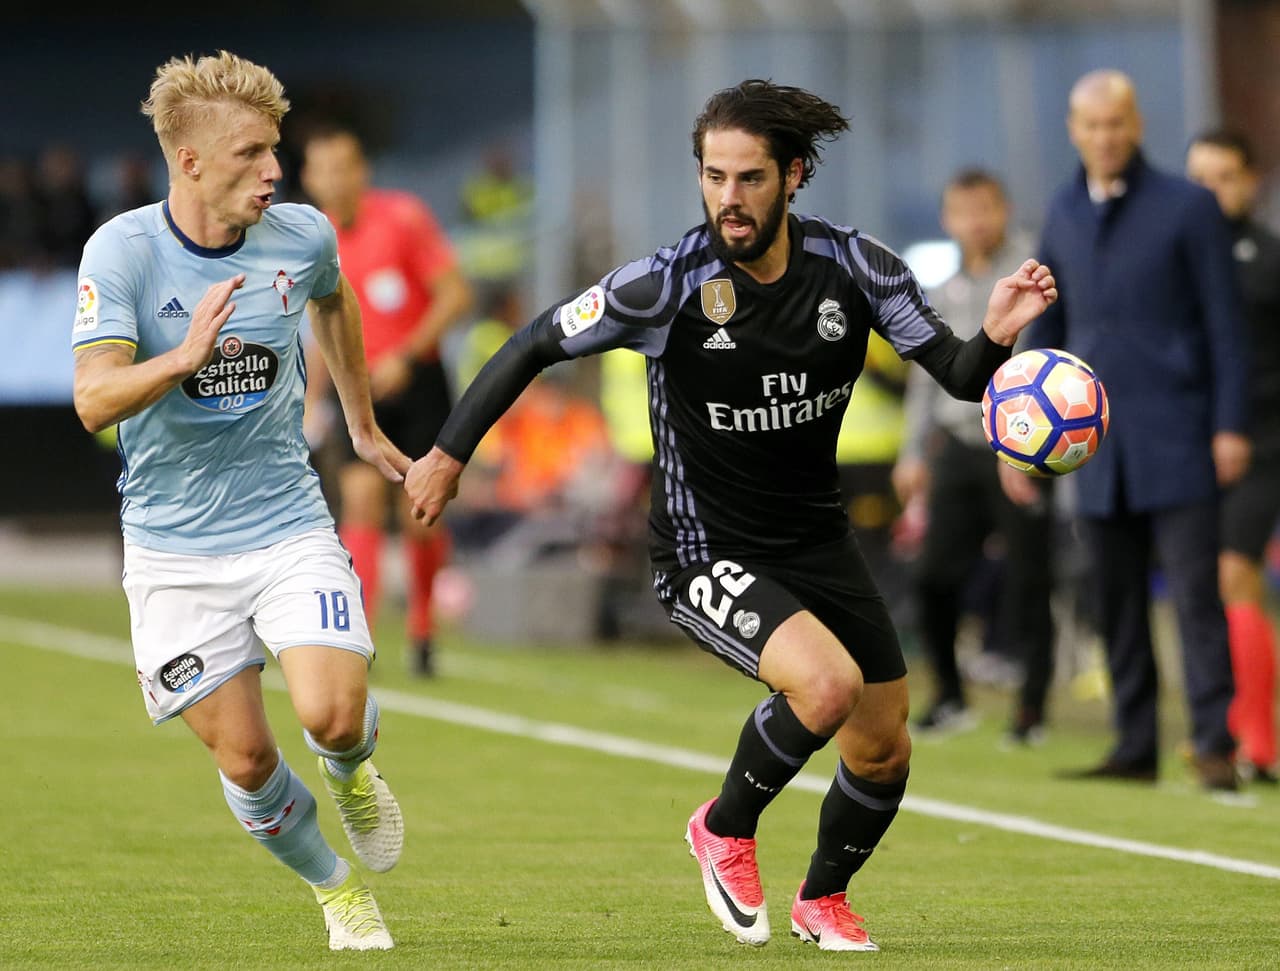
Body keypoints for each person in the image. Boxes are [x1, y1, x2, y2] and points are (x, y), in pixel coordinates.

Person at [404, 79, 1057, 951]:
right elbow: (533, 342)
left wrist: (1001, 333)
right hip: (704, 548)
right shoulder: (664, 284)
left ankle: (821, 899)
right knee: (825, 687)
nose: (728, 199)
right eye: (714, 177)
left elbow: (961, 376)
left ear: (793, 177)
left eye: (749, 179)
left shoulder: (858, 267)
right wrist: (448, 454)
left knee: (884, 743)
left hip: (817, 538)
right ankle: (724, 824)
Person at [71, 52, 406, 950]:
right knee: (249, 759)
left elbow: (334, 303)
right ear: (187, 162)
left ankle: (353, 771)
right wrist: (180, 359)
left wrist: (363, 425)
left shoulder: (301, 235)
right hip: (173, 550)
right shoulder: (124, 251)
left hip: (284, 518)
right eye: (252, 154)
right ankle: (338, 891)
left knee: (333, 713)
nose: (273, 172)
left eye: (276, 150)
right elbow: (93, 398)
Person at [1024, 69, 1249, 791]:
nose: (1105, 137)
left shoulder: (1189, 207)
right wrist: (1020, 435)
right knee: (1114, 596)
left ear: (1137, 125)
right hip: (1094, 447)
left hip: (1180, 431)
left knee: (1193, 596)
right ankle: (1135, 743)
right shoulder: (1059, 211)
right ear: (1074, 130)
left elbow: (1226, 325)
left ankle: (1215, 745)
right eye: (1091, 126)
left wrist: (1229, 425)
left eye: (1116, 124)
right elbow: (1047, 331)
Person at [300, 124, 473, 677]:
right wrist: (311, 401)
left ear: (361, 173)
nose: (332, 180)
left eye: (342, 167)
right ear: (308, 178)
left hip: (419, 384)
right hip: (360, 389)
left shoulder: (403, 218)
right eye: (321, 170)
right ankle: (361, 637)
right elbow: (323, 330)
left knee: (420, 515)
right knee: (359, 501)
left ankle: (422, 630)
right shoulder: (315, 239)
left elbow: (456, 296)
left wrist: (408, 352)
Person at [893, 169, 1055, 743]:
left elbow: (1047, 366)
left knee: (1030, 578)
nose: (974, 221)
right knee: (934, 578)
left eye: (984, 209)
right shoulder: (944, 287)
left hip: (1021, 450)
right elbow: (924, 379)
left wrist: (1026, 446)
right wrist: (913, 452)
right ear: (947, 220)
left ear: (1004, 209)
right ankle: (951, 697)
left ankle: (1031, 712)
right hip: (959, 448)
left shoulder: (1033, 277)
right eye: (962, 212)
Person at [1186, 129, 1280, 783]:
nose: (1211, 190)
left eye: (1224, 176)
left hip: (1262, 445)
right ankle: (1220, 730)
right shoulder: (1178, 260)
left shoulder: (1268, 259)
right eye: (1199, 178)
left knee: (1233, 578)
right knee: (1204, 591)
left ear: (1250, 181)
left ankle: (1259, 741)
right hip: (1188, 448)